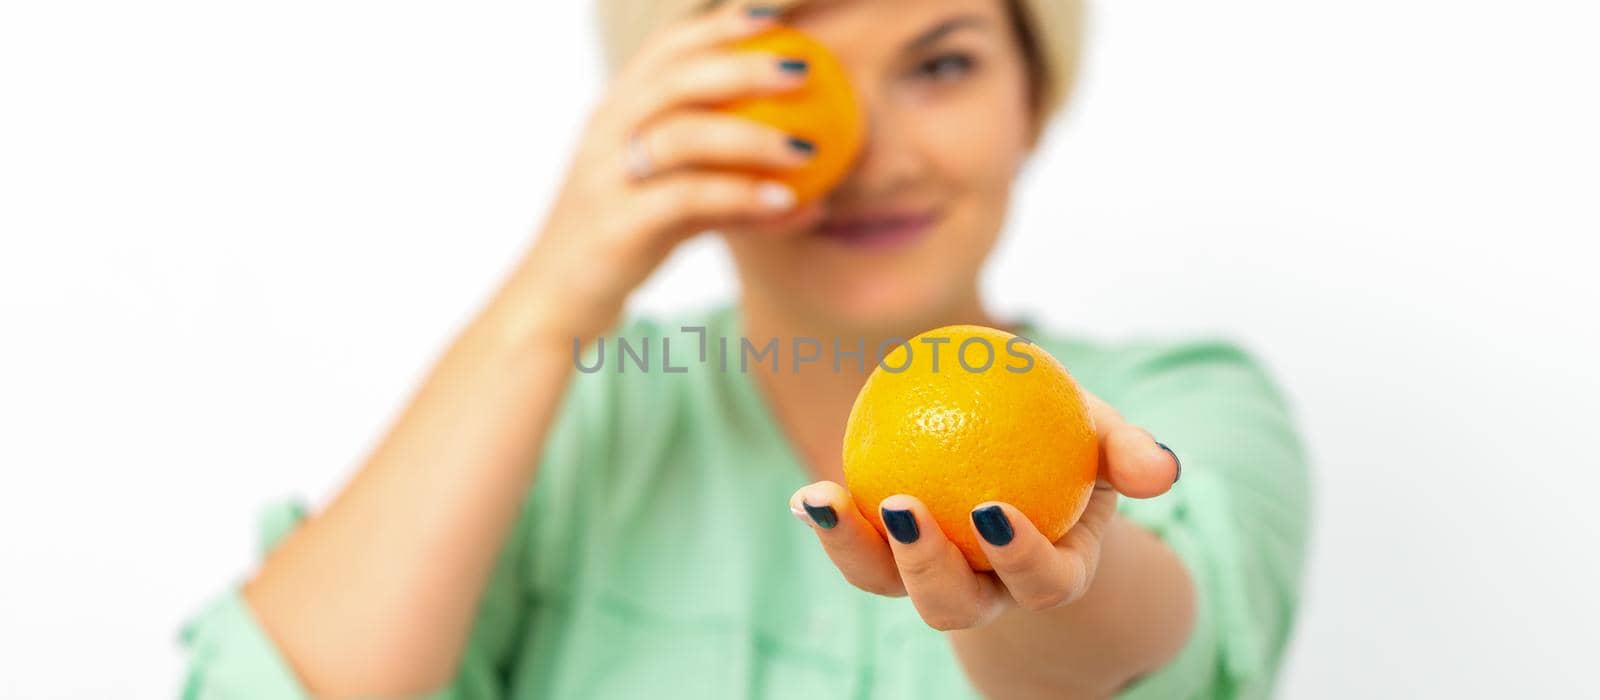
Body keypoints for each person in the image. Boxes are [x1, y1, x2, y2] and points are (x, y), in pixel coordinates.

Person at [179, 1, 1312, 697]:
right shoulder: (574, 411)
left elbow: (1163, 653)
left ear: (1034, 94)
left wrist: (1054, 580)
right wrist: (553, 294)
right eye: (791, 78)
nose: (869, 154)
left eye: (940, 65)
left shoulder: (1182, 399)